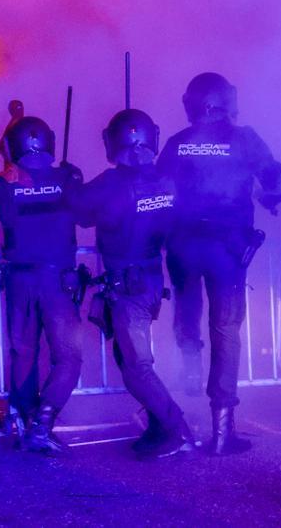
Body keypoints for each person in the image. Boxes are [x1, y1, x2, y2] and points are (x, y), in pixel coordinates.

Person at [157, 72, 281, 455]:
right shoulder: (246, 139)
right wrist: (270, 199)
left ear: (191, 104)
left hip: (182, 245)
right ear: (226, 101)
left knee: (187, 305)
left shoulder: (177, 143)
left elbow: (157, 191)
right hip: (227, 251)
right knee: (227, 330)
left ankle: (190, 365)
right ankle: (222, 428)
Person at [70, 110, 197, 460]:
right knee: (129, 362)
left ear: (112, 142)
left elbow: (77, 209)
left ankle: (177, 430)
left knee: (137, 366)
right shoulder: (168, 181)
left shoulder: (110, 184)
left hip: (128, 288)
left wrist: (68, 178)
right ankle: (159, 425)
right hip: (151, 280)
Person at [0, 113, 83, 455]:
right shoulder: (66, 178)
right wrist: (72, 181)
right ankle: (43, 423)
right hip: (58, 282)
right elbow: (87, 215)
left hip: (19, 280)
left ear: (13, 148)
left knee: (23, 354)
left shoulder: (3, 182)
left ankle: (28, 422)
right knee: (69, 356)